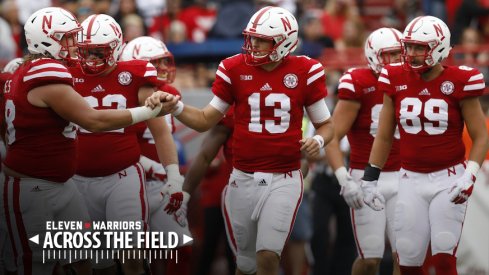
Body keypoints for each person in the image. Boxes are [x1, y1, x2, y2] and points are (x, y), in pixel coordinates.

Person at [148, 6, 334, 275]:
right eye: (253, 37)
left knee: (268, 256)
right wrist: (175, 107)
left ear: (285, 43)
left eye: (263, 40)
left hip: (284, 178)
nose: (254, 44)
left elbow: (326, 125)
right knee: (245, 265)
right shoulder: (234, 67)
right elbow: (204, 120)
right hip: (242, 178)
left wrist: (318, 140)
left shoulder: (306, 70)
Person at [0, 7, 175, 275]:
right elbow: (93, 121)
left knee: (87, 261)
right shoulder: (45, 71)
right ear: (47, 39)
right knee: (38, 264)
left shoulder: (32, 69)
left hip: (69, 184)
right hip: (38, 185)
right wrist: (148, 111)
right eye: (68, 38)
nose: (75, 46)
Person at [361, 15, 489, 275]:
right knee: (407, 261)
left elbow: (481, 135)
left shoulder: (461, 80)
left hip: (449, 179)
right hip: (409, 179)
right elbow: (385, 135)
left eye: (420, 47)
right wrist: (370, 177)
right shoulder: (395, 76)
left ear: (440, 47)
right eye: (409, 46)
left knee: (443, 258)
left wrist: (470, 175)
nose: (411, 53)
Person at [69, 14, 184, 275]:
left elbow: (161, 132)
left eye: (99, 51)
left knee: (131, 254)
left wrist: (174, 177)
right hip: (77, 179)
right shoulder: (67, 74)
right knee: (97, 264)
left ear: (117, 46)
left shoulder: (133, 75)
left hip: (122, 177)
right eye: (86, 51)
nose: (91, 58)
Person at [325, 27, 403, 275]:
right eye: (388, 55)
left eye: (399, 54)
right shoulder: (358, 82)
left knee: (407, 256)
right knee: (370, 258)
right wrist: (343, 178)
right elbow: (331, 136)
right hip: (368, 176)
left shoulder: (413, 80)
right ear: (373, 55)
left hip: (406, 175)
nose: (395, 61)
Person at [119, 35, 193, 275]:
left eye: (164, 61)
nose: (162, 68)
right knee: (129, 256)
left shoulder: (169, 92)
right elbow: (117, 144)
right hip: (128, 182)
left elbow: (164, 138)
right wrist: (153, 167)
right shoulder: (123, 98)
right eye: (155, 63)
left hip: (160, 185)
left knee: (181, 249)